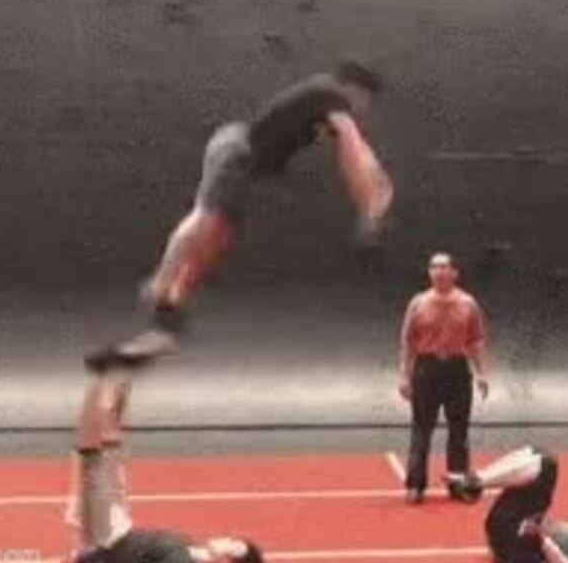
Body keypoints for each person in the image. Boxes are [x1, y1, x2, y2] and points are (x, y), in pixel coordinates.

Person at [87, 59, 394, 371]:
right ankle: (161, 281)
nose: (364, 109)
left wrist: (370, 197)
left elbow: (349, 153)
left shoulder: (322, 100)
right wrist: (372, 206)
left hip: (237, 150)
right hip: (238, 151)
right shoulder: (333, 98)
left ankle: (169, 312)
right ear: (355, 89)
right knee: (209, 217)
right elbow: (354, 151)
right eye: (366, 101)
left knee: (221, 232)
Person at [66, 359, 265, 563]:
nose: (228, 539)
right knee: (103, 451)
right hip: (109, 540)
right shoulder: (190, 553)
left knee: (98, 450)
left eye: (233, 547)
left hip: (107, 546)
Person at [398, 252, 491, 504]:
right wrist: (404, 376)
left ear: (454, 273)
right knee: (421, 429)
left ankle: (458, 484)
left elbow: (476, 340)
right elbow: (407, 342)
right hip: (427, 369)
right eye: (434, 267)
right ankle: (415, 485)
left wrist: (482, 373)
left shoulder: (468, 303)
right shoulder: (418, 303)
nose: (438, 271)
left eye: (443, 266)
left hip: (457, 370)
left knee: (459, 430)